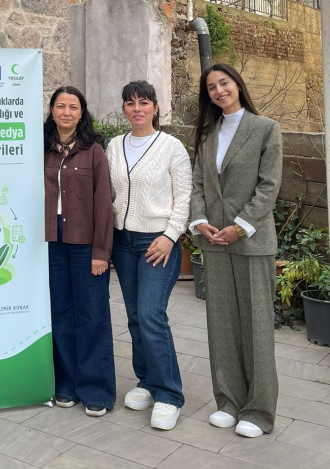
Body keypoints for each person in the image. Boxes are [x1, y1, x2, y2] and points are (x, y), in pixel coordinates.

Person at [190, 64, 282, 438]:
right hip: (215, 242)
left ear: (238, 85)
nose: (218, 91)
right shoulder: (207, 134)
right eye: (211, 87)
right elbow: (197, 184)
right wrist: (199, 221)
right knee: (222, 325)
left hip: (251, 242)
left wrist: (240, 225)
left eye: (224, 83)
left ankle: (259, 411)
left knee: (257, 327)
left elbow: (269, 186)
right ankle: (228, 401)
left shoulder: (266, 129)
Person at [106, 81, 192, 431]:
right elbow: (109, 193)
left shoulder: (171, 147)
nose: (137, 108)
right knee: (134, 316)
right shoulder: (114, 145)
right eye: (130, 103)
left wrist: (171, 236)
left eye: (144, 102)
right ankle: (146, 380)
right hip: (122, 241)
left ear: (156, 107)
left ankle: (169, 394)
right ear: (124, 109)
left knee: (151, 314)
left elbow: (184, 196)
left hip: (157, 242)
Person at [44, 86, 115, 417]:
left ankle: (96, 388)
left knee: (92, 314)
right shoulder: (41, 149)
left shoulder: (94, 151)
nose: (66, 112)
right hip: (51, 242)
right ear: (52, 111)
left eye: (73, 107)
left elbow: (104, 204)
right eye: (61, 106)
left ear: (82, 113)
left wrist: (101, 251)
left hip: (86, 243)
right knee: (59, 313)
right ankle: (66, 383)